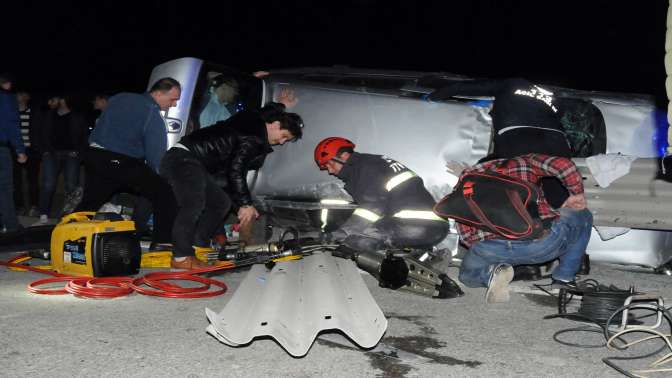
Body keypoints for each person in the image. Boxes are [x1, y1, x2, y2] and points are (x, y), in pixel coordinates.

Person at [160, 103, 304, 269]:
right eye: (284, 136)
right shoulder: (254, 137)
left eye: (286, 140)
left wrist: (280, 105)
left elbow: (228, 178)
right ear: (276, 124)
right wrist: (246, 204)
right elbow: (236, 170)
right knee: (193, 204)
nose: (281, 142)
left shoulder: (252, 118)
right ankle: (181, 257)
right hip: (183, 158)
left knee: (221, 202)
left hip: (194, 163)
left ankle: (198, 246)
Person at [453, 153, 593, 304]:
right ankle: (564, 277)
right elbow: (564, 165)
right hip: (542, 241)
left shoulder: (467, 184)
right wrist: (576, 193)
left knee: (467, 275)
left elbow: (466, 236)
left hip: (492, 248)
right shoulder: (522, 163)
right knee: (583, 214)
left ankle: (490, 274)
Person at [75, 78, 181, 250]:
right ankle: (163, 242)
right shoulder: (151, 112)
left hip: (94, 155)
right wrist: (164, 176)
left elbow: (101, 123)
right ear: (159, 93)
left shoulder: (120, 97)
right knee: (164, 192)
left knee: (90, 202)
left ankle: (69, 237)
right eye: (172, 99)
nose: (174, 104)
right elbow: (156, 154)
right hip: (120, 160)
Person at [314, 137, 450, 255]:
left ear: (343, 156)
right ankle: (428, 258)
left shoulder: (365, 168)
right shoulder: (372, 163)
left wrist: (344, 232)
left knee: (356, 240)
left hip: (414, 224)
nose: (330, 171)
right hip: (434, 225)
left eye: (330, 164)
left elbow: (372, 207)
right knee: (369, 233)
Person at [35, 94, 88, 223]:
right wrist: (44, 151)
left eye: (56, 99)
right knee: (48, 184)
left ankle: (70, 215)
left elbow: (85, 137)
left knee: (71, 185)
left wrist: (79, 153)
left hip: (71, 155)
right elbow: (39, 133)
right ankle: (43, 213)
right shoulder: (48, 115)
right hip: (51, 154)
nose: (52, 101)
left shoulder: (77, 117)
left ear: (63, 100)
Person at [0, 73, 27, 233]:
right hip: (1, 148)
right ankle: (11, 226)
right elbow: (11, 125)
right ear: (8, 84)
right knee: (4, 188)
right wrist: (20, 150)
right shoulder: (6, 98)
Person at [13, 90, 40, 217]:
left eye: (21, 94)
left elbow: (39, 131)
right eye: (17, 94)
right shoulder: (12, 113)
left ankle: (34, 206)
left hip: (31, 151)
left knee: (33, 180)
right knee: (15, 181)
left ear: (27, 97)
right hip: (15, 151)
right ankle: (19, 206)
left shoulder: (34, 113)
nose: (18, 96)